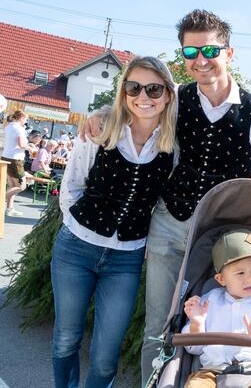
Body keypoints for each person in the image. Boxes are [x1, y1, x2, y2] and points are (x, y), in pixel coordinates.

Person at [82, 10, 251, 384]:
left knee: (214, 320)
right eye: (190, 52)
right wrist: (101, 112)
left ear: (229, 53)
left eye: (209, 50)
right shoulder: (176, 98)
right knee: (158, 325)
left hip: (221, 237)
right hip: (170, 223)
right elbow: (136, 110)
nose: (200, 60)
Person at [51, 56, 177, 388]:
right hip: (76, 249)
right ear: (123, 92)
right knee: (66, 338)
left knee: (106, 356)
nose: (143, 96)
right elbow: (72, 186)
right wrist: (78, 226)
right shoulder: (102, 129)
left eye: (154, 89)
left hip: (126, 259)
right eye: (134, 88)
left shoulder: (172, 146)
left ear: (168, 95)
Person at [181, 229, 251, 388]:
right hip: (212, 370)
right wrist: (197, 324)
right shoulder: (208, 302)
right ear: (221, 279)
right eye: (240, 273)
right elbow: (193, 349)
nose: (250, 279)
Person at [1, 109, 30, 217]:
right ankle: (2, 199)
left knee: (12, 185)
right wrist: (30, 148)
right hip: (15, 159)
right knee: (21, 186)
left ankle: (9, 209)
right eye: (25, 119)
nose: (26, 121)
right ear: (21, 118)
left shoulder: (8, 126)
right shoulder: (19, 128)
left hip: (6, 156)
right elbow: (21, 145)